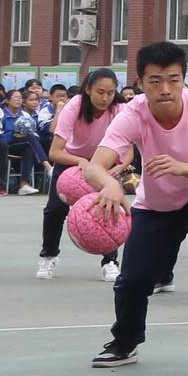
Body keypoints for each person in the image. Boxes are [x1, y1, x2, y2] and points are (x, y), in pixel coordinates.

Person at [78, 42, 188, 376]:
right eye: (155, 81)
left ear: (185, 80)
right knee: (133, 278)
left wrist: (183, 168)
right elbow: (94, 166)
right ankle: (125, 341)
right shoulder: (133, 114)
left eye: (173, 80)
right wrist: (110, 185)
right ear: (141, 83)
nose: (164, 89)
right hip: (156, 203)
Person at [40, 69, 127, 281]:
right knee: (55, 209)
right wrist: (80, 161)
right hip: (72, 160)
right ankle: (48, 255)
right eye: (100, 92)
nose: (105, 98)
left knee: (108, 207)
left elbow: (129, 147)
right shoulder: (75, 106)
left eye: (110, 92)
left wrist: (120, 165)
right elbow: (54, 152)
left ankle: (110, 261)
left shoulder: (120, 109)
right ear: (88, 89)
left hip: (103, 161)